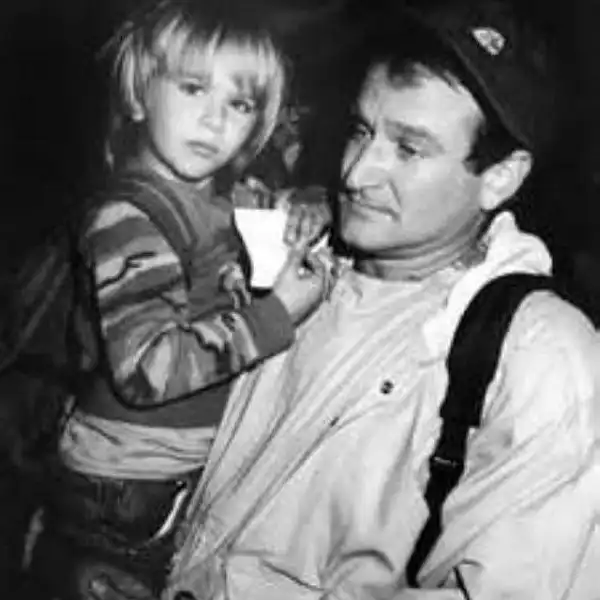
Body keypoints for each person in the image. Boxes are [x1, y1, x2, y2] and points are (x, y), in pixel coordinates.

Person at [157, 1, 600, 599]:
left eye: (409, 149)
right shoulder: (296, 264)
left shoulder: (541, 357)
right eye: (361, 130)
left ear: (500, 177)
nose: (357, 172)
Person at [26, 0, 331, 598]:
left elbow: (267, 208)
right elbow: (148, 370)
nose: (214, 121)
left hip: (164, 476)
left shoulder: (219, 199)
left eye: (239, 104)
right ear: (141, 93)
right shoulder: (130, 218)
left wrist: (308, 202)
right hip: (128, 486)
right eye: (193, 88)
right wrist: (273, 317)